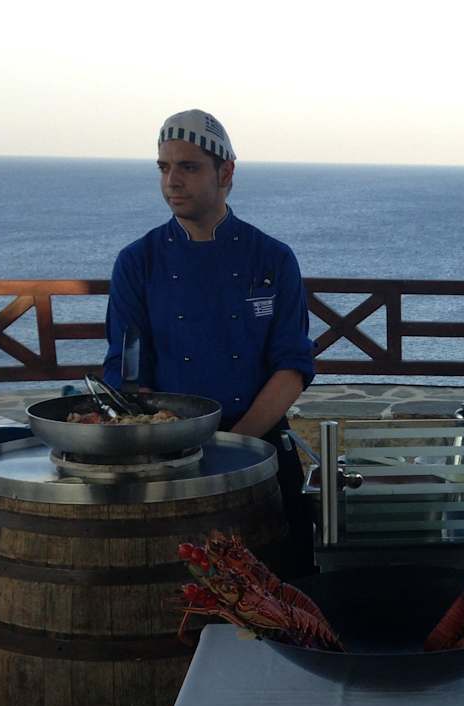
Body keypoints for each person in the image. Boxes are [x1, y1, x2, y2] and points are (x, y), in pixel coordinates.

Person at [103, 108, 316, 574]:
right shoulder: (137, 262)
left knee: (287, 586)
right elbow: (128, 372)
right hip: (168, 458)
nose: (172, 181)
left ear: (226, 172)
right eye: (164, 167)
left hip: (260, 450)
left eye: (188, 167)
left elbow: (292, 367)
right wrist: (171, 444)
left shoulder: (273, 259)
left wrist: (235, 444)